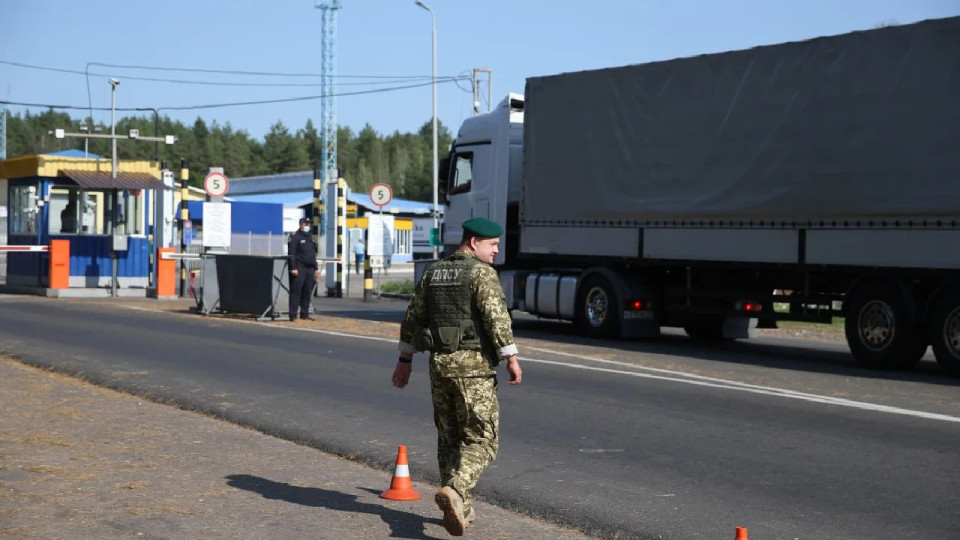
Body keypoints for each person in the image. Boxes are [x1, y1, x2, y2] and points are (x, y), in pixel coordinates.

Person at [392, 217, 523, 536]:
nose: (497, 250)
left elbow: (412, 317)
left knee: (449, 437)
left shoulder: (434, 272)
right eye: (492, 245)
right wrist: (511, 358)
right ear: (474, 242)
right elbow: (496, 319)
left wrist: (404, 361)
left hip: (439, 367)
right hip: (473, 368)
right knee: (482, 438)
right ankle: (457, 489)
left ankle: (460, 508)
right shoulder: (481, 273)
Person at [287, 217, 319, 321]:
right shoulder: (295, 237)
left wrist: (316, 268)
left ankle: (304, 314)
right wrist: (293, 268)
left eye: (309, 224)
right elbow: (291, 253)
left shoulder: (310, 237)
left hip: (310, 268)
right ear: (300, 224)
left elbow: (313, 254)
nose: (307, 226)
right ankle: (293, 315)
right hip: (300, 267)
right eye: (306, 224)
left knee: (307, 292)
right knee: (296, 292)